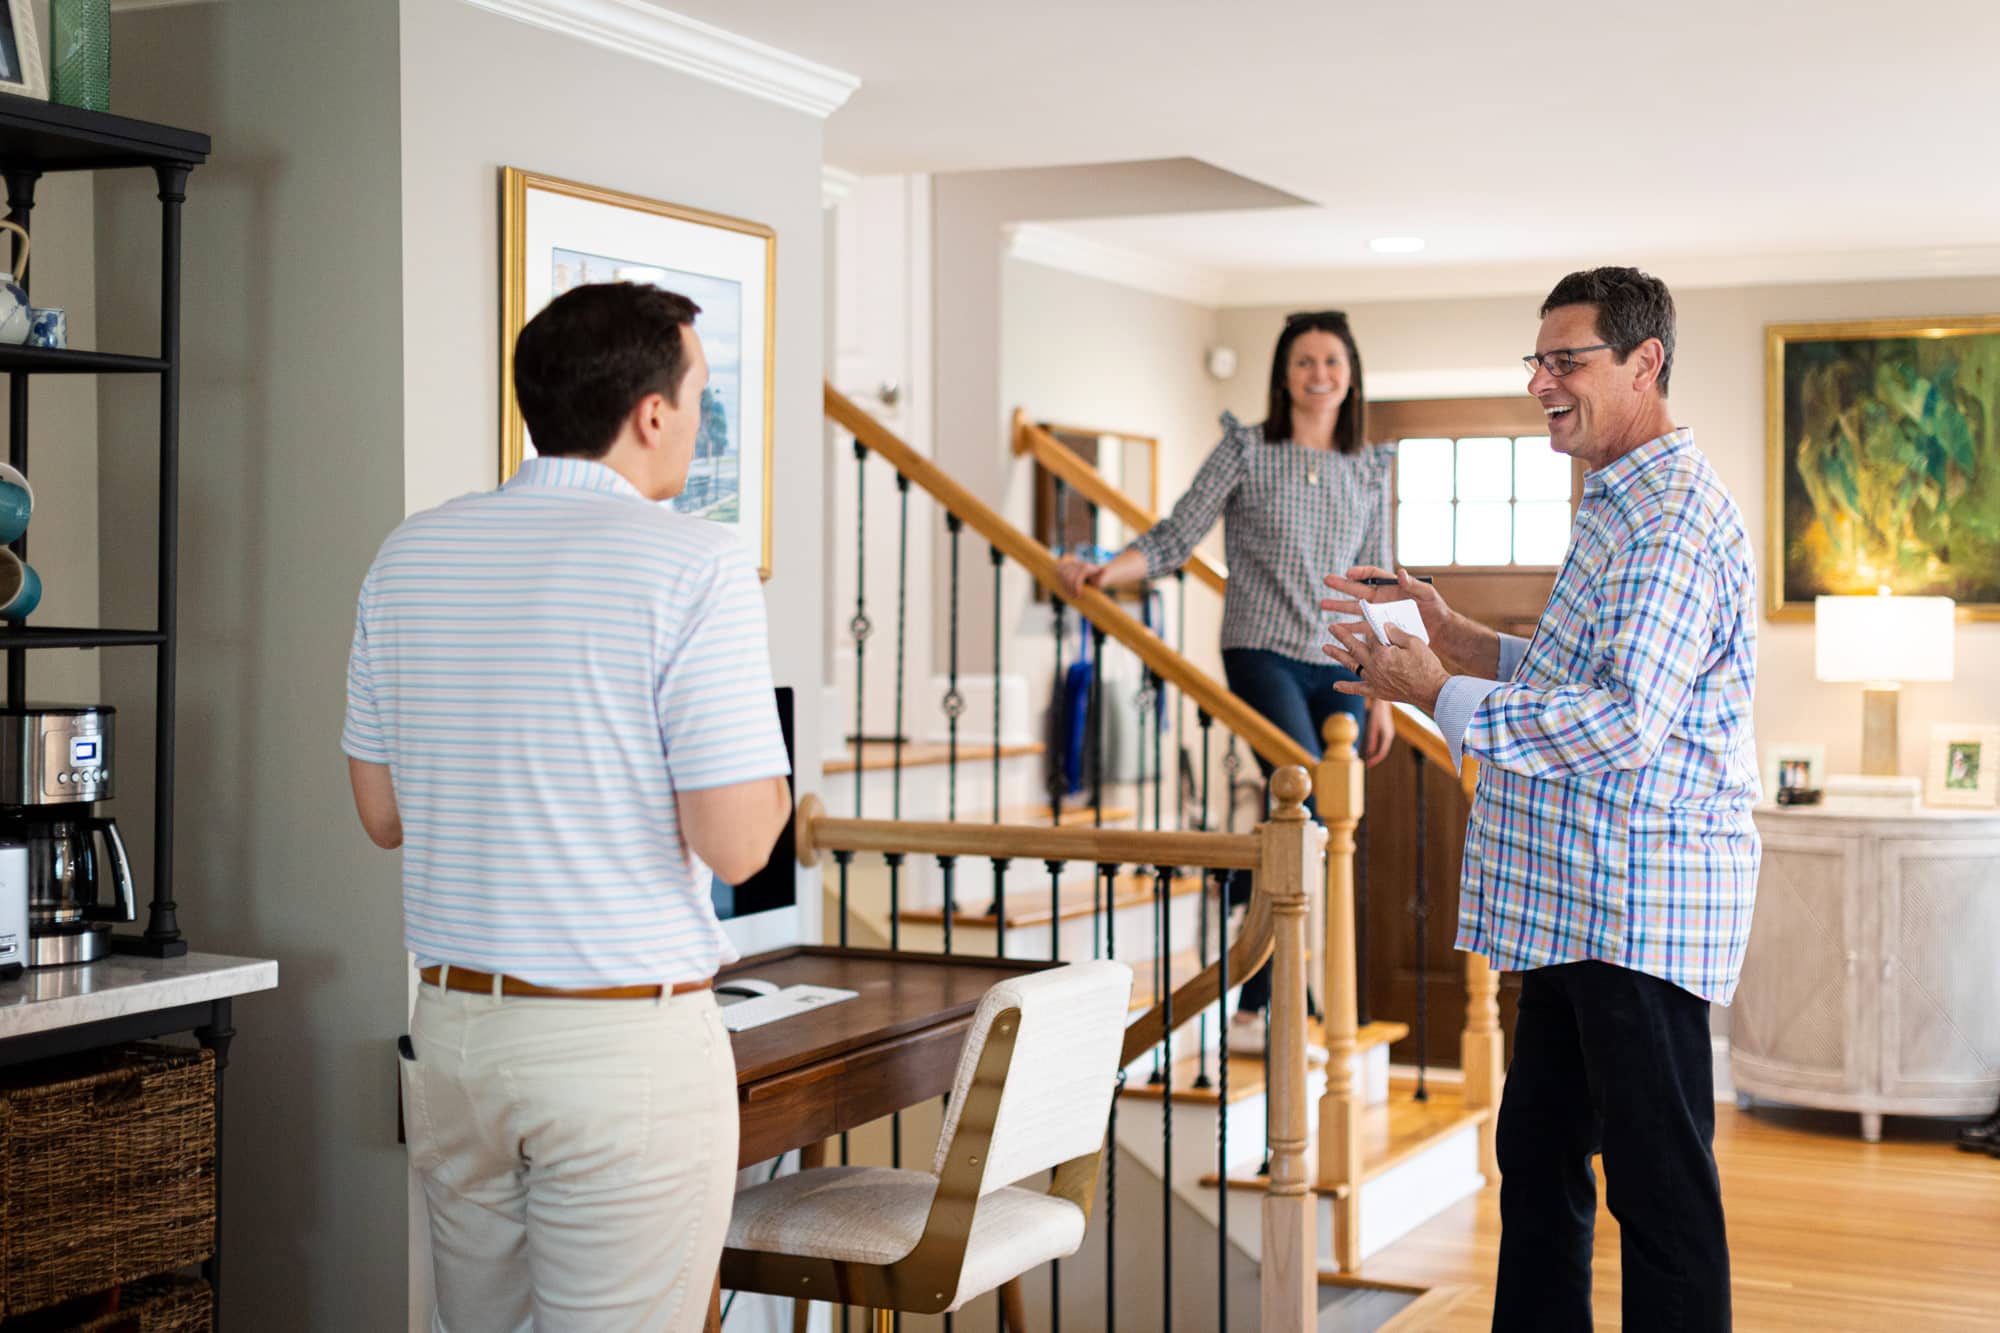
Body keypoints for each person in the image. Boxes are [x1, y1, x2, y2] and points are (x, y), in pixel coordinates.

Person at [343, 282, 791, 1331]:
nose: (699, 421)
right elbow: (735, 846)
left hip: (454, 1038)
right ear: (648, 414)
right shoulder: (697, 561)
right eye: (700, 398)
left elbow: (381, 814)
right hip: (618, 1051)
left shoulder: (408, 553)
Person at [1322, 268, 1757, 1332]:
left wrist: (1436, 692)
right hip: (1573, 907)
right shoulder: (1617, 501)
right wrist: (1456, 635)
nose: (1539, 382)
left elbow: (1618, 722)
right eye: (1536, 359)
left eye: (1565, 360)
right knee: (1538, 1167)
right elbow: (1578, 673)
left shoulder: (1669, 524)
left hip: (1632, 912)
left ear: (1642, 363)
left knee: (1656, 1200)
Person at [1056, 309, 1396, 1056]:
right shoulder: (1246, 448)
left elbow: (1377, 583)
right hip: (1261, 652)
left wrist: (1382, 694)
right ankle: (1270, 1003)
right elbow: (1178, 534)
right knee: (1308, 808)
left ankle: (1253, 1007)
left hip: (1339, 660)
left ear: (1351, 375)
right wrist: (1103, 571)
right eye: (1304, 361)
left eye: (1332, 362)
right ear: (1283, 373)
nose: (1319, 375)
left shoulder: (1370, 467)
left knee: (1293, 825)